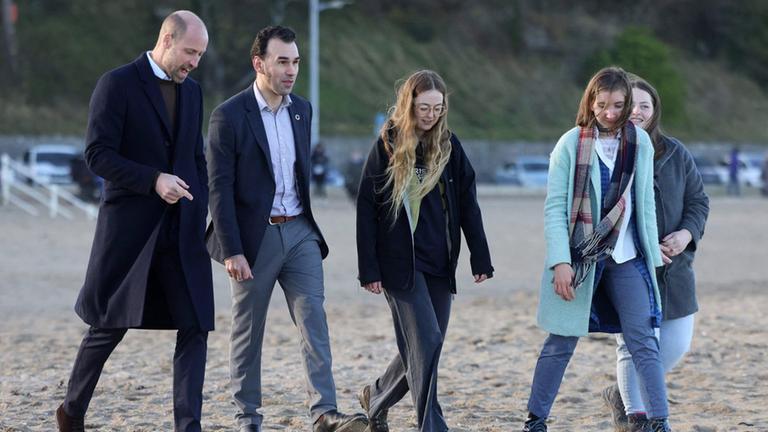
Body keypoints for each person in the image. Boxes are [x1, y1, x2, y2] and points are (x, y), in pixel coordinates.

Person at [55, 11, 213, 432]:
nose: (194, 62)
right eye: (190, 52)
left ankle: (188, 426)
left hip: (182, 231)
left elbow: (195, 158)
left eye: (200, 55)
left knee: (196, 325)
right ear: (166, 39)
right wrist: (153, 180)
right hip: (131, 231)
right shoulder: (117, 84)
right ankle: (71, 411)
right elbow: (97, 154)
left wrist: (202, 203)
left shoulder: (193, 92)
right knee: (109, 325)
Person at [205, 26, 367, 432]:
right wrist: (231, 249)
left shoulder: (302, 110)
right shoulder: (229, 115)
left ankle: (325, 412)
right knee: (248, 329)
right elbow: (218, 188)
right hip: (251, 240)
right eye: (282, 61)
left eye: (295, 61)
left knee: (314, 316)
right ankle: (248, 418)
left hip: (299, 232)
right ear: (259, 64)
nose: (290, 70)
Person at [521, 66, 671, 432]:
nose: (609, 112)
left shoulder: (641, 143)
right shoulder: (571, 143)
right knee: (561, 341)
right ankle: (535, 420)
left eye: (618, 105)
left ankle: (659, 421)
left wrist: (651, 259)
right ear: (590, 101)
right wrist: (560, 263)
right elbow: (555, 208)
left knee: (644, 341)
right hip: (580, 258)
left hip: (626, 256)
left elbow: (644, 207)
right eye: (601, 104)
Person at [356, 70, 494, 432]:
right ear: (409, 105)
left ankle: (377, 395)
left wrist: (480, 257)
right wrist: (368, 268)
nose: (430, 115)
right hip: (399, 267)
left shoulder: (450, 146)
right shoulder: (388, 143)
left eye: (437, 107)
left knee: (424, 348)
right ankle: (432, 426)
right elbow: (366, 208)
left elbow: (468, 205)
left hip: (439, 264)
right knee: (427, 341)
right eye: (423, 108)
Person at [600, 75, 709, 431]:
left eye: (645, 105)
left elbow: (698, 201)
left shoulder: (676, 153)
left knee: (675, 345)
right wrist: (643, 247)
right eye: (630, 104)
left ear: (654, 109)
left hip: (675, 268)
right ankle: (639, 417)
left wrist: (686, 234)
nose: (637, 111)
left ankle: (622, 393)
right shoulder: (608, 151)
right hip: (628, 266)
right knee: (632, 347)